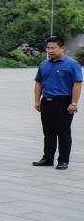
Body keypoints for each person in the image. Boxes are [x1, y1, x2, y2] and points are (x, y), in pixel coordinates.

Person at [33, 34, 82, 170]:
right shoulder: (44, 64)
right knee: (48, 132)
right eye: (48, 48)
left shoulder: (72, 64)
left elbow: (77, 84)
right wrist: (37, 100)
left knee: (63, 133)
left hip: (63, 102)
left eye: (53, 48)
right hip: (46, 102)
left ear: (62, 48)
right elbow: (38, 83)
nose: (50, 50)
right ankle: (48, 158)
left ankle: (63, 160)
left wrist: (73, 103)